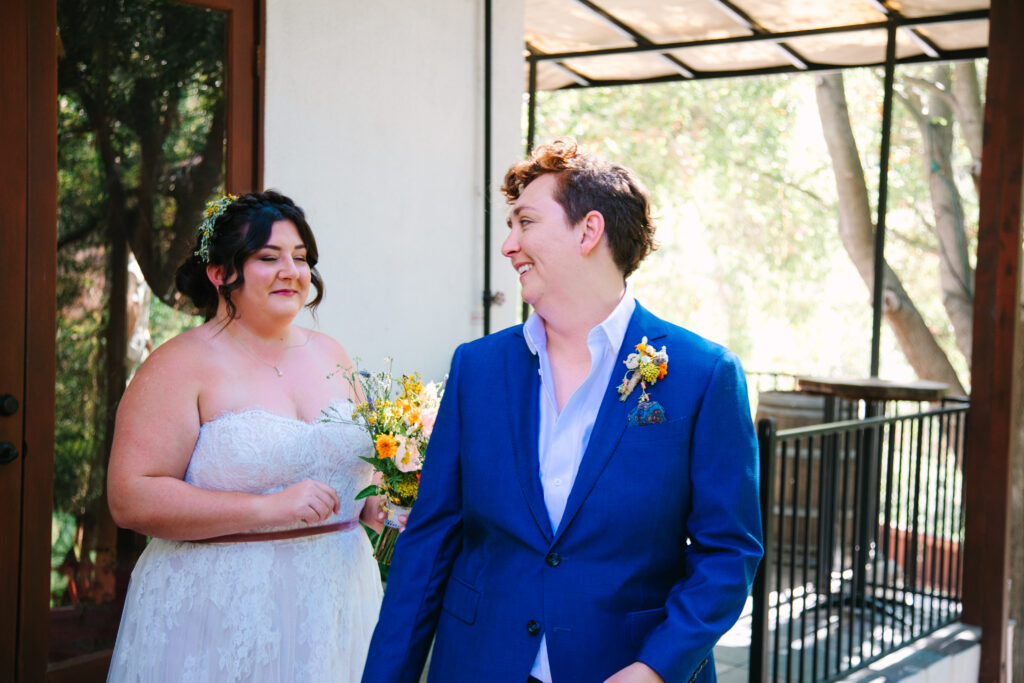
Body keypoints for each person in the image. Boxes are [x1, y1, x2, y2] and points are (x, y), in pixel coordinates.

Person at [362, 139, 763, 683]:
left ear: (588, 231)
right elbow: (430, 542)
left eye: (525, 222)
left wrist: (655, 668)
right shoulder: (477, 369)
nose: (508, 245)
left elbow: (728, 550)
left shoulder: (703, 374)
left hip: (624, 667)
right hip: (479, 664)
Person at [106, 191, 384, 682]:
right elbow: (132, 497)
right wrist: (265, 509)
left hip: (338, 602)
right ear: (219, 273)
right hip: (220, 610)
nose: (291, 271)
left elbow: (343, 467)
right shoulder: (179, 365)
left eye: (300, 258)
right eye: (267, 257)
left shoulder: (332, 352)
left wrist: (373, 500)